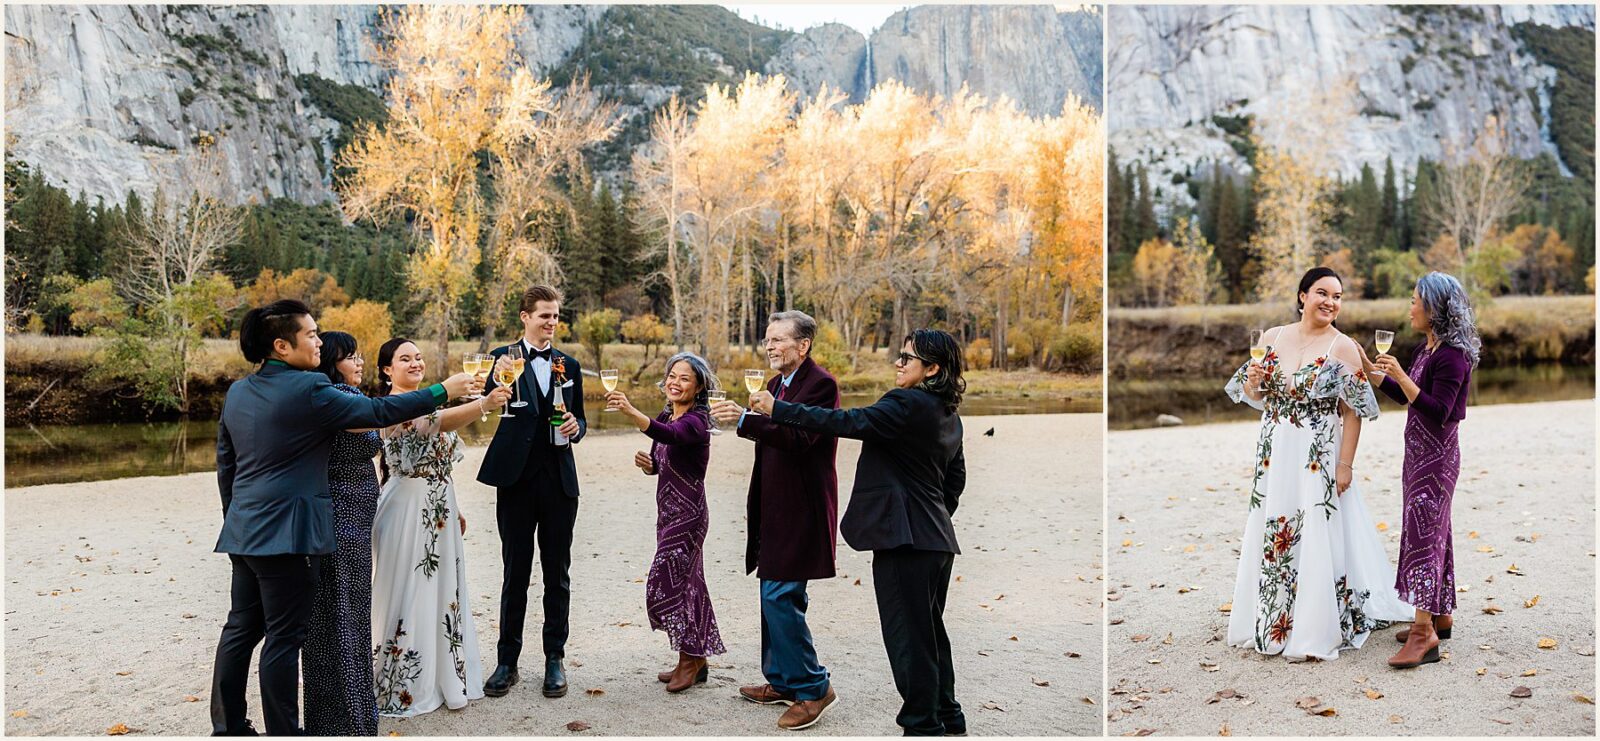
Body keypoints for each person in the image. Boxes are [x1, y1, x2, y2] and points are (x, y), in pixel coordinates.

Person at [211, 300, 478, 736]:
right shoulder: (309, 389)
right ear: (282, 345)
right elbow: (377, 413)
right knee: (283, 638)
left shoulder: (239, 391)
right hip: (290, 537)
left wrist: (236, 519)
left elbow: (228, 466)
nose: (318, 341)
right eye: (311, 334)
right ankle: (284, 733)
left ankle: (228, 728)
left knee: (240, 630)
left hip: (244, 531)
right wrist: (441, 390)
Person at [749, 329, 966, 736]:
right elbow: (954, 483)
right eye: (899, 355)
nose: (898, 363)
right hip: (936, 542)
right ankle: (949, 720)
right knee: (931, 637)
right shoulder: (948, 414)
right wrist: (930, 518)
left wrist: (778, 409)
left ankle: (923, 727)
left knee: (909, 643)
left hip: (906, 542)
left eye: (908, 358)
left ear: (932, 368)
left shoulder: (904, 402)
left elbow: (845, 421)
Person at [1222, 267, 1412, 662]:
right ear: (1302, 296)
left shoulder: (1342, 346)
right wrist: (1254, 380)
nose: (1330, 302)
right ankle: (1270, 615)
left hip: (1317, 453)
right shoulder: (1272, 338)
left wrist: (1346, 465)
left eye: (1338, 296)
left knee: (1314, 529)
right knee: (1273, 524)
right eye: (1322, 293)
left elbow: (1355, 411)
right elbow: (1250, 393)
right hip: (1275, 452)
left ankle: (1312, 623)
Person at [710, 311, 842, 730]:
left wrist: (750, 420)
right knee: (773, 589)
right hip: (772, 504)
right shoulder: (771, 385)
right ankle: (783, 679)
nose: (769, 346)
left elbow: (803, 439)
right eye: (767, 340)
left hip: (801, 506)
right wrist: (753, 416)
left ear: (803, 345)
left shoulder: (821, 385)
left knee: (780, 595)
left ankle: (813, 687)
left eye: (778, 340)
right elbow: (772, 438)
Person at [370, 338, 510, 717]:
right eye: (404, 359)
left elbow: (440, 458)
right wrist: (482, 404)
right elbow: (433, 423)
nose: (415, 363)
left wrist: (455, 504)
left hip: (439, 507)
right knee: (410, 590)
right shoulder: (390, 407)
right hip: (407, 507)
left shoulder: (428, 400)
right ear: (387, 370)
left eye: (418, 357)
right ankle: (403, 684)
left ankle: (442, 676)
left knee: (442, 588)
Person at [477, 285, 588, 700]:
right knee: (515, 573)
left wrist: (579, 428)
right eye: (544, 315)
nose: (551, 322)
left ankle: (554, 659)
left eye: (556, 315)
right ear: (524, 316)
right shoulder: (502, 358)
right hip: (516, 481)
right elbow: (486, 401)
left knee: (557, 574)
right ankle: (507, 662)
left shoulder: (569, 364)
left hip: (559, 481)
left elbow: (578, 418)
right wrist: (497, 378)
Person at [1371, 272, 1479, 669]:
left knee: (1423, 536)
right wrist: (1372, 369)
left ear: (1434, 308)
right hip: (1416, 456)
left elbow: (1440, 412)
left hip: (1437, 460)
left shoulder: (1452, 355)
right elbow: (1405, 396)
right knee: (1437, 532)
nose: (1410, 306)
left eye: (1415, 299)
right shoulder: (1426, 349)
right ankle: (1441, 614)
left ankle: (1423, 633)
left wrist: (1400, 374)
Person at [606, 352, 727, 692]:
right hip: (666, 513)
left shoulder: (698, 421)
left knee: (667, 582)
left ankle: (690, 659)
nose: (675, 382)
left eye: (684, 378)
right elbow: (666, 456)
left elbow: (672, 435)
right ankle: (693, 658)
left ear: (699, 385)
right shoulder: (668, 413)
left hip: (689, 516)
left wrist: (631, 412)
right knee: (690, 585)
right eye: (672, 375)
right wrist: (650, 466)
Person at [302, 331, 381, 735]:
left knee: (344, 611)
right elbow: (382, 413)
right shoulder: (337, 398)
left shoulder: (342, 396)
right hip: (342, 519)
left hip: (354, 519)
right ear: (333, 361)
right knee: (343, 613)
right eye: (352, 356)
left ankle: (342, 714)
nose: (360, 361)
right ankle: (349, 719)